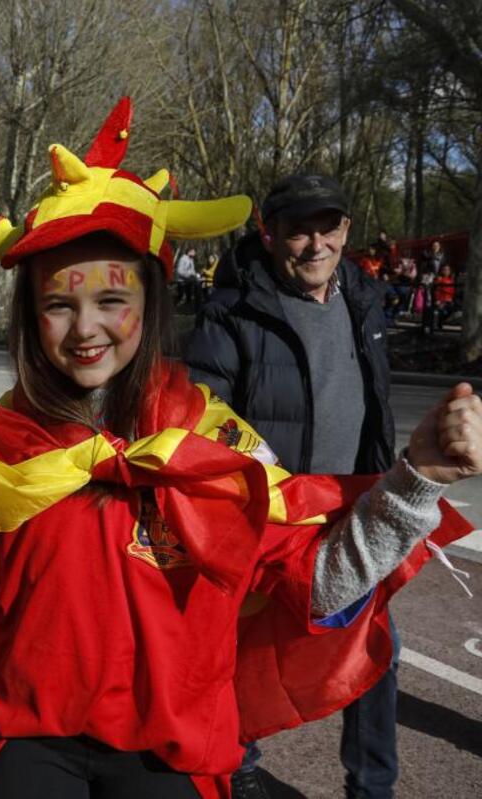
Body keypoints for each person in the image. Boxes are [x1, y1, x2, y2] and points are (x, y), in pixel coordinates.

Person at [0, 97, 477, 798]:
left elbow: (311, 578)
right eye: (58, 303)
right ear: (29, 314)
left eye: (113, 299)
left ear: (152, 302)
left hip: (169, 754)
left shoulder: (210, 436)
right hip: (32, 744)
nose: (85, 329)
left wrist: (417, 479)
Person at [186, 173, 406, 798]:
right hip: (267, 518)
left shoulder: (365, 300)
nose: (316, 244)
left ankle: (373, 788)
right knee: (237, 651)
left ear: (347, 230)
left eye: (328, 227)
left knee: (376, 655)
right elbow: (203, 417)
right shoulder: (230, 311)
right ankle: (237, 770)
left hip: (354, 509)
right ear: (270, 232)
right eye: (299, 229)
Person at [173, 246, 199, 311]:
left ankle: (187, 309)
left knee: (189, 296)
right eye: (193, 252)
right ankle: (174, 308)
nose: (194, 253)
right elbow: (179, 271)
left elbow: (192, 270)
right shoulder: (183, 259)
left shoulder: (191, 260)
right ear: (189, 251)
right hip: (182, 281)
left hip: (189, 281)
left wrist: (195, 275)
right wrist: (188, 275)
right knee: (181, 296)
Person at [434, 262, 457, 329]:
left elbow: (452, 291)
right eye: (445, 269)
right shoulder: (439, 279)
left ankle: (440, 322)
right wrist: (437, 300)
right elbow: (437, 290)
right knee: (441, 311)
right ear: (442, 270)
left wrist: (452, 299)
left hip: (449, 300)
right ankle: (439, 324)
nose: (446, 271)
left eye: (448, 270)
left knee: (450, 311)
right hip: (441, 299)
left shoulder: (451, 280)